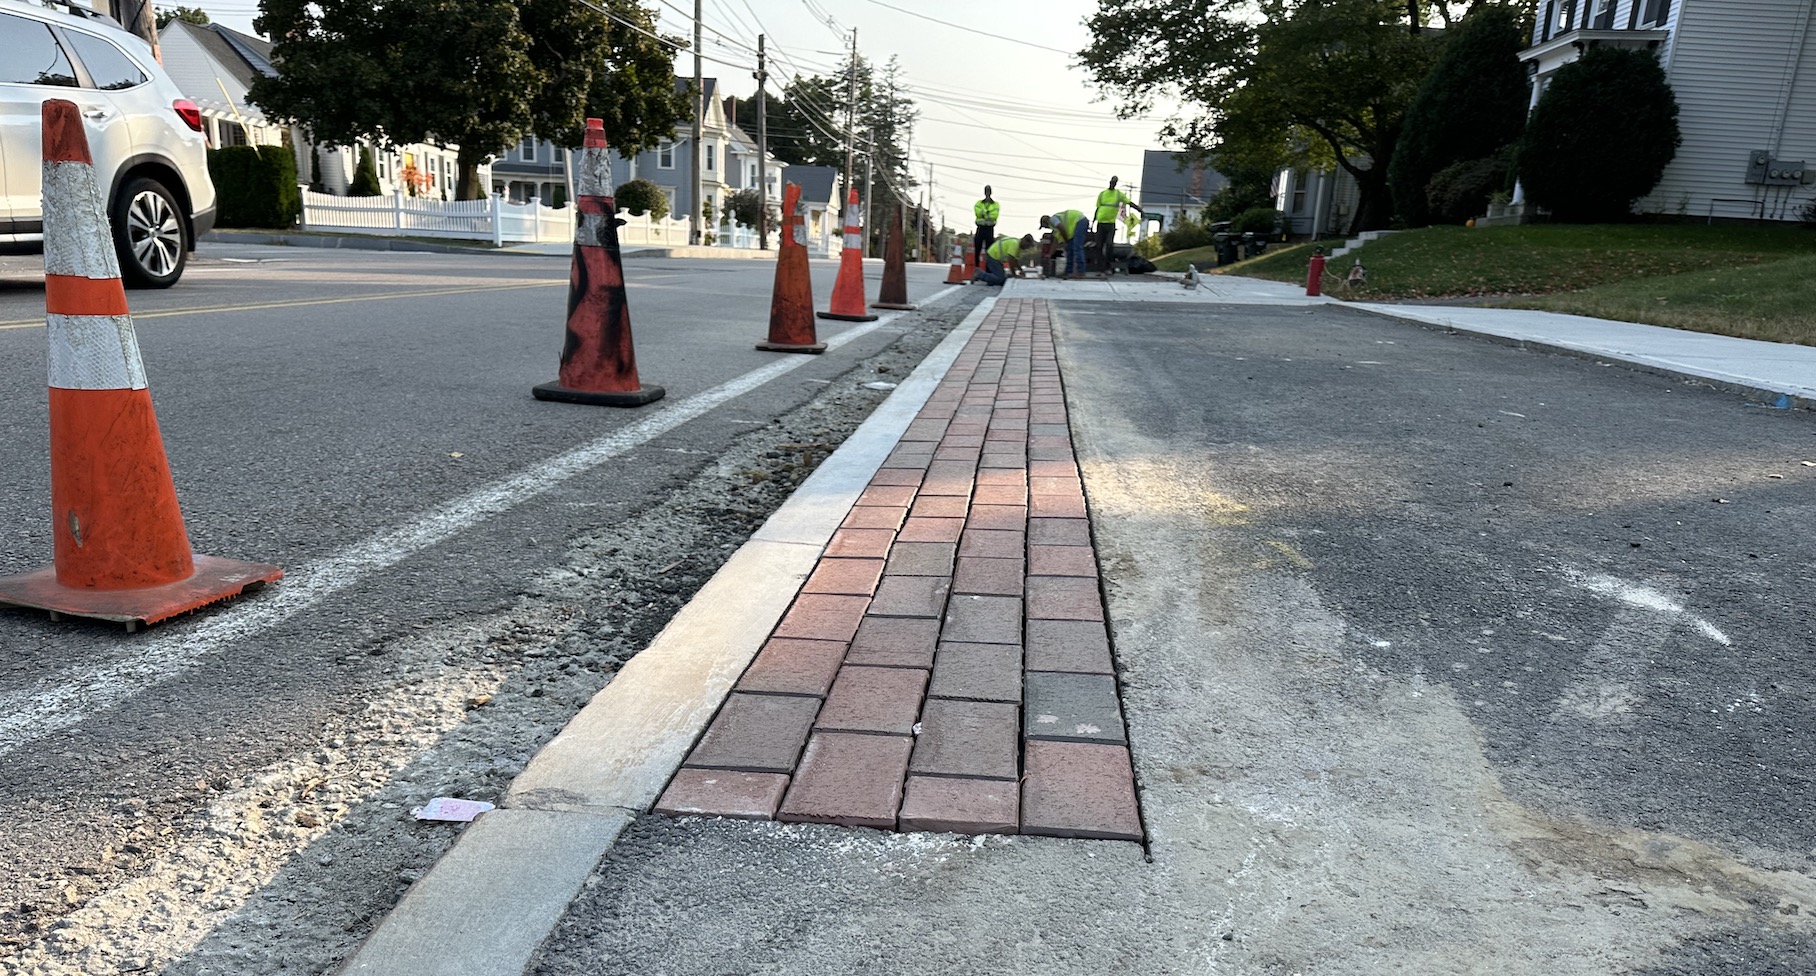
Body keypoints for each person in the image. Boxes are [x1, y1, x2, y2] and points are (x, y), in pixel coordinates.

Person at [1093, 176, 1143, 275]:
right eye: (1112, 182)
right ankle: (1100, 268)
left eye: (1114, 182)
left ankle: (1108, 267)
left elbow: (1129, 203)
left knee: (1109, 245)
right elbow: (1098, 208)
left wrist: (1140, 210)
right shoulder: (1102, 194)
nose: (1112, 183)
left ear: (1116, 184)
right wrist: (1093, 221)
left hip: (1110, 224)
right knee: (1098, 246)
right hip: (1101, 223)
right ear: (1109, 182)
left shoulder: (1118, 194)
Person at [1039, 209, 1090, 278]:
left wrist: (1066, 240)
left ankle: (1081, 271)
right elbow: (1055, 242)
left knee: (1077, 247)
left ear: (1046, 222)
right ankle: (1069, 272)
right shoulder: (1055, 229)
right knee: (1070, 249)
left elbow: (1062, 229)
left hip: (1080, 220)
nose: (1047, 228)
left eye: (1045, 226)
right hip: (1075, 226)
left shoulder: (1053, 219)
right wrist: (1049, 254)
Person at [973, 186, 999, 268]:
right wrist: (987, 214)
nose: (987, 193)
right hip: (980, 228)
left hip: (989, 228)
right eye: (986, 191)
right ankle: (976, 268)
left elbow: (994, 215)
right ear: (984, 192)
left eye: (988, 191)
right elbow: (977, 212)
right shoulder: (979, 203)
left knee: (990, 250)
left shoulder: (995, 204)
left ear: (991, 192)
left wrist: (983, 213)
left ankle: (988, 269)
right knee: (977, 248)